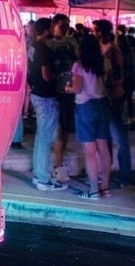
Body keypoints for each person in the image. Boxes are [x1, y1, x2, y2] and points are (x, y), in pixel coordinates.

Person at [64, 35, 112, 199]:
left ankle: (93, 190)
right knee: (103, 148)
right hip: (102, 104)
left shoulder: (78, 65)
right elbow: (108, 82)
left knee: (90, 151)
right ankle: (105, 187)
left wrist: (68, 88)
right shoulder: (103, 62)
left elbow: (77, 88)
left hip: (85, 105)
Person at [29, 18, 68, 191]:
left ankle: (39, 174)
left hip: (37, 93)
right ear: (46, 30)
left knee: (41, 137)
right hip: (46, 97)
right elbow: (46, 75)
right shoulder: (44, 49)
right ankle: (43, 179)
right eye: (52, 27)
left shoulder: (33, 47)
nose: (54, 29)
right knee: (45, 138)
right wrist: (59, 71)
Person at [94, 20, 131, 188]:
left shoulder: (113, 50)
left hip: (113, 96)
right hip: (105, 96)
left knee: (118, 136)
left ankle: (124, 175)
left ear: (103, 32)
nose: (94, 33)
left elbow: (117, 75)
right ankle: (106, 173)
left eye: (97, 30)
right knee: (106, 136)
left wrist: (107, 84)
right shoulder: (102, 48)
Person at [48, 13, 78, 182]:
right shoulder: (49, 44)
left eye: (67, 25)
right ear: (54, 25)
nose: (66, 29)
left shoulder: (71, 42)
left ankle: (60, 159)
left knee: (65, 127)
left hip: (69, 91)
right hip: (55, 91)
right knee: (58, 128)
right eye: (62, 26)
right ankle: (58, 163)